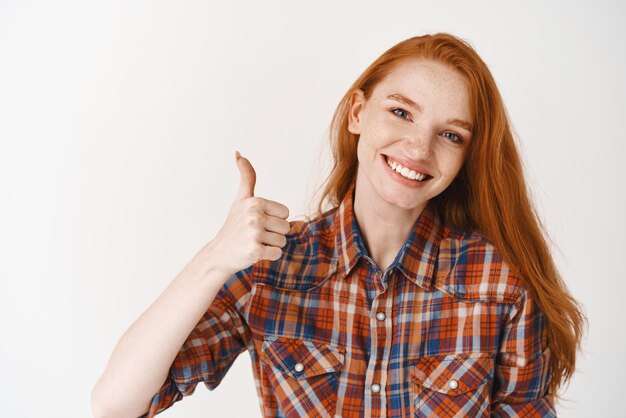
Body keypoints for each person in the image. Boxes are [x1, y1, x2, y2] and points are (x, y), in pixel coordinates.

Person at [91, 32, 587, 418]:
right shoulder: (272, 267)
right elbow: (116, 404)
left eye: (450, 135)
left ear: (465, 156)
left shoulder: (498, 284)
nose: (418, 148)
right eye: (401, 113)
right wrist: (215, 258)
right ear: (357, 112)